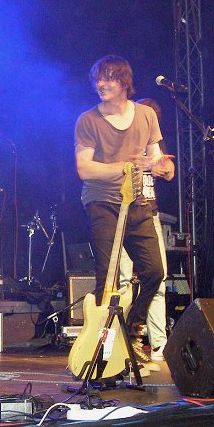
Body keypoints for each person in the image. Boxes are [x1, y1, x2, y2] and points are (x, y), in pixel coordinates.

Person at [75, 55, 174, 372]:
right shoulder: (88, 120)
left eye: (108, 78)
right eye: (98, 78)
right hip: (102, 202)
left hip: (137, 203)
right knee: (108, 277)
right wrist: (124, 167)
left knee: (154, 272)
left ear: (124, 82)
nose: (101, 84)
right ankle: (100, 353)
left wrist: (163, 167)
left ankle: (131, 335)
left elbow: (156, 158)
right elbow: (84, 169)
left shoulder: (146, 115)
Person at [117, 97, 171, 363]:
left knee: (158, 278)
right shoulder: (122, 139)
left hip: (151, 214)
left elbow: (169, 171)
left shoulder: (156, 144)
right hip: (124, 215)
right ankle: (123, 342)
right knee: (123, 281)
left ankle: (159, 344)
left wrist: (160, 166)